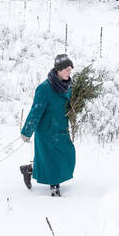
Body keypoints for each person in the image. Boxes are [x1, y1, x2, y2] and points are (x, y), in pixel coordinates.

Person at [18, 54, 76, 197]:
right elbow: (36, 111)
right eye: (66, 69)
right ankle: (54, 188)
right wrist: (27, 131)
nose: (69, 72)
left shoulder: (68, 86)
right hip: (46, 130)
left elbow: (70, 105)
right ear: (58, 70)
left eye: (70, 69)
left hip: (62, 127)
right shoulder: (44, 88)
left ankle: (29, 169)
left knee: (68, 154)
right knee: (52, 159)